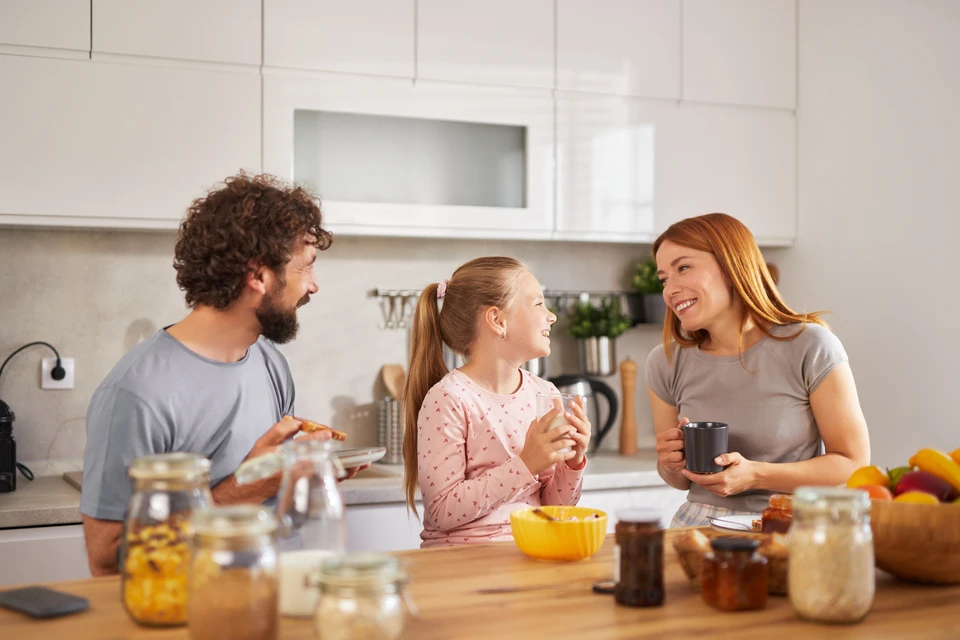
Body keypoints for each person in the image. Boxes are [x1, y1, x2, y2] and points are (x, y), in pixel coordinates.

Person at [81, 173, 362, 576]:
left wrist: (305, 476)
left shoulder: (270, 363)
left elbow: (270, 504)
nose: (314, 286)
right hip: (191, 604)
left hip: (275, 590)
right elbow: (107, 558)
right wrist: (245, 488)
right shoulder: (136, 393)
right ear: (258, 276)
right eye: (305, 268)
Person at [646, 213, 870, 527]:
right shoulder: (665, 361)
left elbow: (852, 463)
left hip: (790, 524)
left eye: (683, 268)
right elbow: (680, 481)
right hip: (697, 526)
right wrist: (670, 463)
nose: (669, 290)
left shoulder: (810, 346)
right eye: (664, 279)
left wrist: (756, 475)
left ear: (731, 264)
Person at [402, 257, 592, 547]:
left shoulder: (545, 394)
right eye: (539, 304)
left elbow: (555, 508)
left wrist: (573, 463)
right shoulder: (449, 398)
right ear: (498, 320)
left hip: (529, 549)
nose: (551, 316)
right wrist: (526, 464)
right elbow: (441, 510)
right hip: (462, 561)